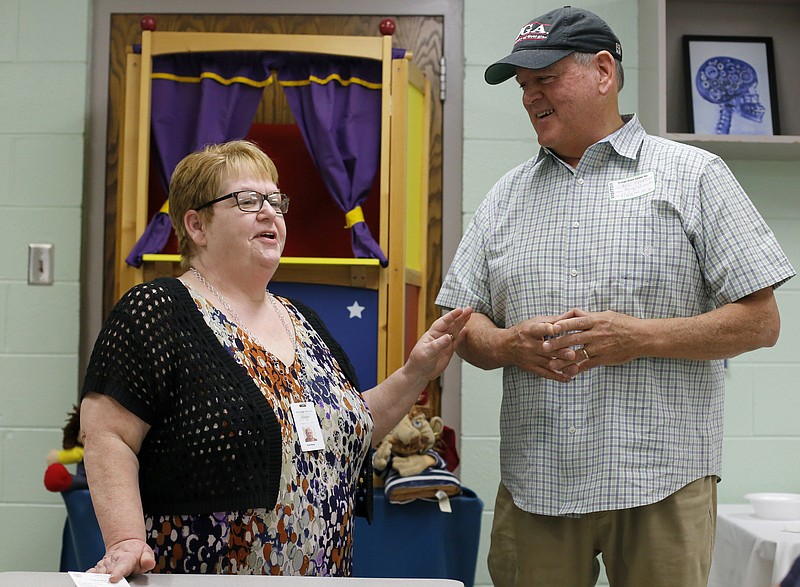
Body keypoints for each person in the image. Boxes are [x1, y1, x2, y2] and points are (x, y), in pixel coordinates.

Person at [435, 6, 795, 587]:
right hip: (536, 485)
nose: (530, 97)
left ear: (603, 71)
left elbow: (761, 322)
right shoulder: (504, 197)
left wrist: (641, 337)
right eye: (524, 86)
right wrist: (504, 344)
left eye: (545, 78)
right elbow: (463, 323)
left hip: (665, 483)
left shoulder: (696, 174)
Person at [80, 140, 471, 581]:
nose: (270, 212)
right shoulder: (158, 309)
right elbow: (108, 433)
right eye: (247, 201)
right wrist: (125, 540)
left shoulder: (301, 319)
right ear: (196, 225)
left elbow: (352, 429)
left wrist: (415, 370)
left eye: (275, 201)